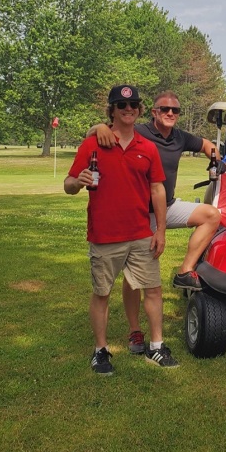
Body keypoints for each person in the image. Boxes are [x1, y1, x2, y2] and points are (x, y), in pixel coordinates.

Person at [88, 90, 221, 350]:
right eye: (165, 109)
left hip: (167, 206)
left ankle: (185, 271)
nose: (171, 114)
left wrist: (219, 160)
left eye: (176, 110)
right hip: (139, 213)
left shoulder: (180, 137)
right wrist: (100, 126)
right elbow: (108, 128)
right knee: (134, 277)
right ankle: (135, 330)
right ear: (153, 112)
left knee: (211, 215)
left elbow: (207, 144)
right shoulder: (140, 132)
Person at [65, 84, 178, 374]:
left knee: (153, 290)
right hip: (105, 235)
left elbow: (157, 190)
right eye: (121, 106)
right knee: (102, 293)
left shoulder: (147, 147)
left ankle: (155, 347)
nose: (128, 110)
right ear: (112, 110)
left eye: (133, 106)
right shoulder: (93, 144)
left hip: (141, 233)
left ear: (140, 110)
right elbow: (68, 185)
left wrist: (161, 230)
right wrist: (78, 181)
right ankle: (100, 351)